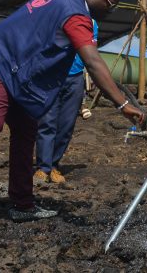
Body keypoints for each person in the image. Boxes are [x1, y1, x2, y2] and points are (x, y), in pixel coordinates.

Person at [0, 0, 145, 233]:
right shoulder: (77, 15)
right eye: (110, 4)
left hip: (15, 69)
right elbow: (93, 62)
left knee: (25, 131)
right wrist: (123, 104)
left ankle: (22, 205)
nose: (111, 12)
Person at [34, 14, 98, 184]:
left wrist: (91, 74)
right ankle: (43, 167)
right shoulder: (57, 17)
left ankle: (54, 164)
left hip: (75, 77)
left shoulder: (91, 23)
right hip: (52, 75)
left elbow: (92, 49)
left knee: (67, 124)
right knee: (47, 122)